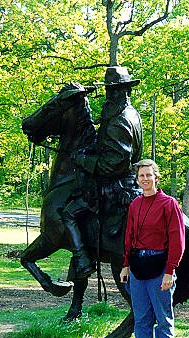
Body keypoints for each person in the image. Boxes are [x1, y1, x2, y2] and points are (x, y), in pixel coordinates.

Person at [64, 66, 143, 279]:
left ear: (124, 91)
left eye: (113, 90)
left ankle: (83, 258)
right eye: (108, 89)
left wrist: (83, 160)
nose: (109, 94)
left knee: (69, 213)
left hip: (114, 185)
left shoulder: (120, 120)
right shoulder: (127, 113)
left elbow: (113, 163)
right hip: (120, 180)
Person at [120, 159, 185, 338]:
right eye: (141, 176)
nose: (145, 180)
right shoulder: (135, 205)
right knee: (142, 319)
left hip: (160, 269)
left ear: (156, 178)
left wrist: (170, 271)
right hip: (138, 269)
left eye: (149, 175)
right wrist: (126, 265)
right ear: (137, 180)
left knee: (163, 320)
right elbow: (129, 237)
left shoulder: (169, 204)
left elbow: (178, 240)